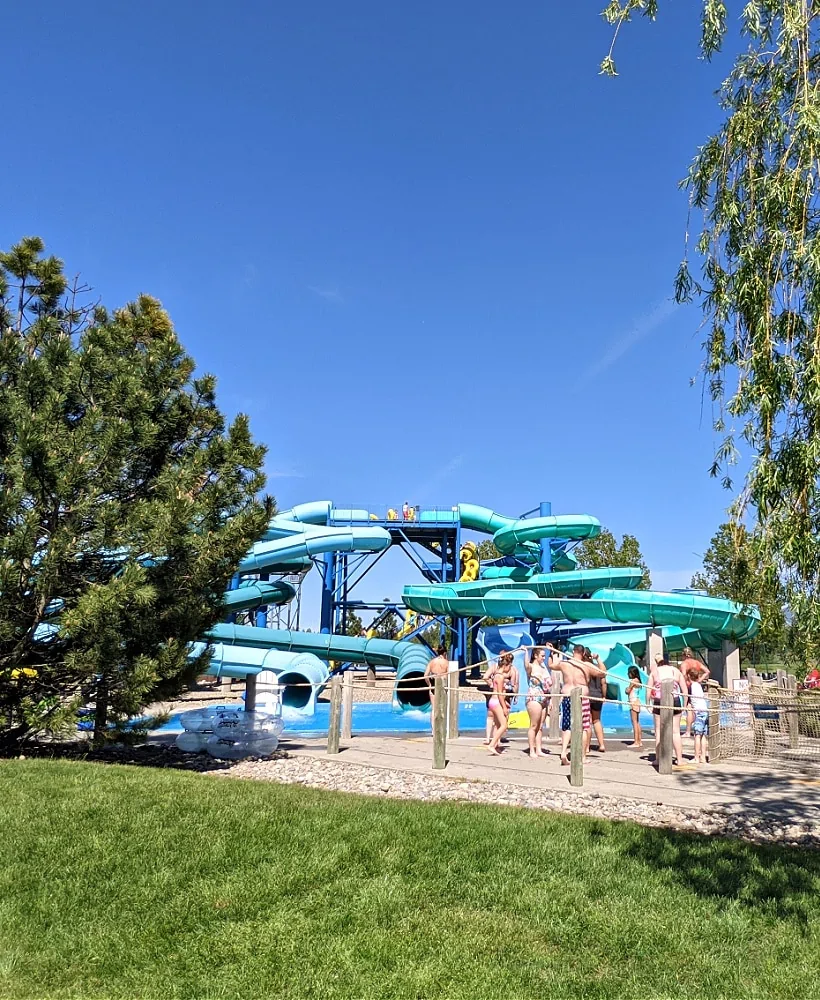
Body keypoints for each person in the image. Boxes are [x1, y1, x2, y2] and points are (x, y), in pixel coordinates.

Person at [547, 643, 604, 766]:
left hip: (567, 695)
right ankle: (582, 756)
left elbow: (551, 665)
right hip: (581, 697)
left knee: (567, 727)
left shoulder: (564, 664)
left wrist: (551, 653)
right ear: (583, 653)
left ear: (573, 652)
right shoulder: (586, 665)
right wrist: (598, 658)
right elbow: (603, 673)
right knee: (584, 727)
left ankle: (563, 752)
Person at [649, 652, 688, 766]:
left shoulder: (655, 672)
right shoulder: (675, 671)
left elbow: (648, 690)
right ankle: (679, 759)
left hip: (659, 701)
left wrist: (648, 703)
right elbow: (684, 690)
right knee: (675, 731)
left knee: (658, 731)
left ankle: (658, 759)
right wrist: (685, 705)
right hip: (674, 700)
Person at [525, 647, 552, 759]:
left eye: (544, 656)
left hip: (544, 698)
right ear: (535, 656)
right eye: (542, 656)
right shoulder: (532, 667)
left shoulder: (543, 667)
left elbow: (548, 685)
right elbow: (526, 665)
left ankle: (539, 749)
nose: (544, 658)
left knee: (540, 726)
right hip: (534, 697)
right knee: (534, 725)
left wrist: (551, 651)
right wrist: (526, 652)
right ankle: (532, 750)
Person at [487, 652, 514, 755]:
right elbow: (499, 694)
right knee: (504, 725)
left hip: (492, 701)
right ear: (506, 665)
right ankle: (492, 744)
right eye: (510, 666)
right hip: (496, 701)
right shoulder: (501, 677)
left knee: (497, 725)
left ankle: (496, 745)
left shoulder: (496, 675)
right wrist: (504, 707)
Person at [679, 647, 709, 737]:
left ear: (684, 655)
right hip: (696, 686)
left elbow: (684, 675)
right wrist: (699, 680)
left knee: (689, 709)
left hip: (688, 687)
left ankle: (688, 731)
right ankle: (694, 728)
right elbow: (707, 671)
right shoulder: (696, 663)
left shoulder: (684, 664)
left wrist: (684, 684)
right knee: (694, 708)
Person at [584, 647, 608, 753]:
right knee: (597, 720)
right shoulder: (598, 668)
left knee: (587, 722)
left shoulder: (584, 667)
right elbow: (604, 683)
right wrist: (604, 696)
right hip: (597, 696)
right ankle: (601, 744)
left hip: (587, 696)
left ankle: (587, 746)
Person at [687, 666, 710, 763]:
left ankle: (696, 757)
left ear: (688, 676)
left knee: (697, 735)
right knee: (703, 735)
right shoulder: (698, 684)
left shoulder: (691, 686)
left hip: (699, 712)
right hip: (705, 710)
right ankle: (703, 757)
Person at [424, 645, 449, 729]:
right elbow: (449, 676)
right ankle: (442, 728)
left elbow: (425, 675)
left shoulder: (432, 662)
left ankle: (433, 730)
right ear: (445, 653)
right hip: (443, 685)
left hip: (433, 685)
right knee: (442, 707)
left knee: (434, 709)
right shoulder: (446, 662)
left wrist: (429, 684)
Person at [625, 665, 644, 748]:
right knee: (637, 722)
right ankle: (639, 741)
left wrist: (626, 689)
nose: (628, 674)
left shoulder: (633, 681)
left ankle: (636, 741)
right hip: (637, 701)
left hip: (633, 701)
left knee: (634, 722)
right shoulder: (639, 681)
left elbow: (628, 691)